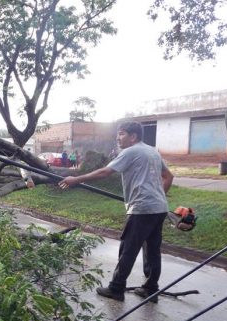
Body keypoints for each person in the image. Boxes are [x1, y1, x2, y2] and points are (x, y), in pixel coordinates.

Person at [59, 122, 174, 302]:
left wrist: (76, 179)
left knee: (128, 248)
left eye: (121, 134)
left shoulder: (131, 151)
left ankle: (116, 288)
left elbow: (105, 172)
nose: (118, 138)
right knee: (152, 250)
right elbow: (169, 176)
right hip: (159, 208)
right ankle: (151, 289)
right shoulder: (152, 151)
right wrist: (158, 197)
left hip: (142, 208)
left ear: (133, 136)